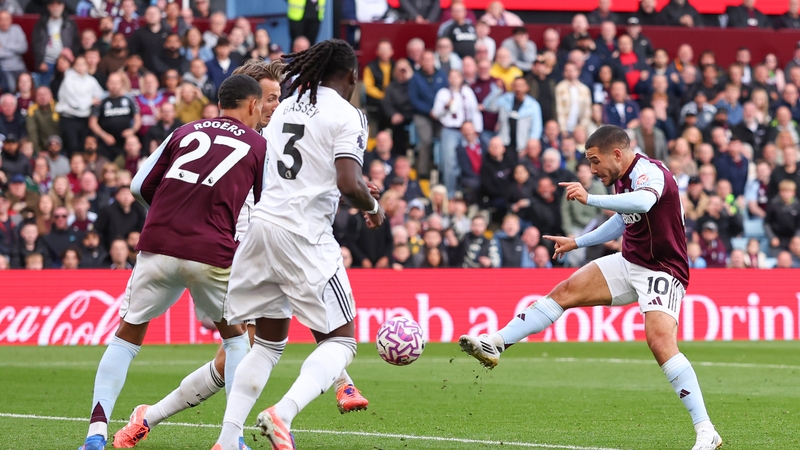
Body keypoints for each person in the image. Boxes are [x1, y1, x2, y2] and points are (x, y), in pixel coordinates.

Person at [459, 125, 722, 450]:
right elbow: (623, 218)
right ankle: (496, 343)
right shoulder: (622, 178)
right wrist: (578, 242)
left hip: (663, 269)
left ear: (616, 154)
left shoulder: (649, 173)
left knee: (659, 341)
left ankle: (706, 430)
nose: (593, 169)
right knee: (565, 291)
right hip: (631, 261)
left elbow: (641, 203)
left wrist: (590, 198)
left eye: (595, 162)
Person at [78, 75, 267, 450]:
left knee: (127, 337)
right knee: (235, 340)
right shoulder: (258, 144)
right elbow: (265, 204)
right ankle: (232, 439)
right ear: (251, 105)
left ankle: (95, 435)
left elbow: (137, 185)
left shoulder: (184, 130)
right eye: (260, 105)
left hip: (159, 242)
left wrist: (167, 214)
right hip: (212, 250)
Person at [213, 39, 386, 450]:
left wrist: (355, 187)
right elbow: (347, 181)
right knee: (341, 341)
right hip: (305, 235)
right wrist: (373, 203)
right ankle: (283, 413)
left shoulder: (286, 104)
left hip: (260, 229)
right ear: (350, 77)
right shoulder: (348, 114)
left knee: (268, 344)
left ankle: (227, 439)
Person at [432, 70, 482, 195]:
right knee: (450, 163)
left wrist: (477, 129)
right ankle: (450, 193)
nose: (454, 80)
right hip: (450, 130)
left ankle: (469, 192)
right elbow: (435, 113)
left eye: (457, 77)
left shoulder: (467, 92)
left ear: (461, 78)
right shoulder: (443, 93)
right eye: (451, 77)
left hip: (467, 130)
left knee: (472, 159)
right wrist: (446, 107)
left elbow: (474, 110)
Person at [90, 72, 141, 161]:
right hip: (106, 142)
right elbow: (92, 122)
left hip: (125, 141)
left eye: (116, 83)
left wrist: (132, 130)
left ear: (121, 84)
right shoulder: (101, 99)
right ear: (107, 84)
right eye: (111, 83)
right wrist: (104, 135)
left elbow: (138, 118)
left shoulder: (129, 99)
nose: (114, 86)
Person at [485, 76, 542, 155]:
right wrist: (497, 91)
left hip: (522, 146)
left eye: (521, 86)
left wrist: (532, 142)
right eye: (516, 86)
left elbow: (536, 127)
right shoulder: (505, 99)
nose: (518, 89)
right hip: (505, 144)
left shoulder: (533, 105)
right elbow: (489, 106)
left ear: (526, 88)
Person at [32, 0, 79, 88]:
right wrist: (40, 62)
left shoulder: (70, 24)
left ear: (63, 6)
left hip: (64, 63)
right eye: (52, 4)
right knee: (44, 90)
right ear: (48, 6)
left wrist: (70, 61)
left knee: (65, 89)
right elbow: (36, 44)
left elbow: (75, 44)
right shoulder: (41, 24)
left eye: (58, 4)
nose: (55, 7)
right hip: (46, 63)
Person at [128, 6, 170, 75]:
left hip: (164, 72)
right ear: (145, 16)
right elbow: (133, 52)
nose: (151, 16)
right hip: (143, 72)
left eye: (154, 13)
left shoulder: (168, 34)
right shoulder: (138, 33)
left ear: (160, 16)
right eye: (149, 14)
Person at [555, 62, 593, 137]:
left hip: (579, 128)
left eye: (572, 70)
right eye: (567, 70)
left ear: (578, 72)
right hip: (564, 128)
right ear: (564, 73)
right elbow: (558, 110)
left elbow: (587, 111)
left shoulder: (585, 89)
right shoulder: (559, 88)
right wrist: (563, 129)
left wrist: (582, 127)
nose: (570, 73)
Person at [0, 12, 28, 92]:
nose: (4, 22)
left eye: (6, 19)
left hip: (20, 66)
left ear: (11, 20)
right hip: (4, 69)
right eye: (1, 19)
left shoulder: (17, 29)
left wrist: (4, 46)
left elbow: (23, 48)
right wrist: (15, 50)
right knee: (11, 89)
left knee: (29, 85)